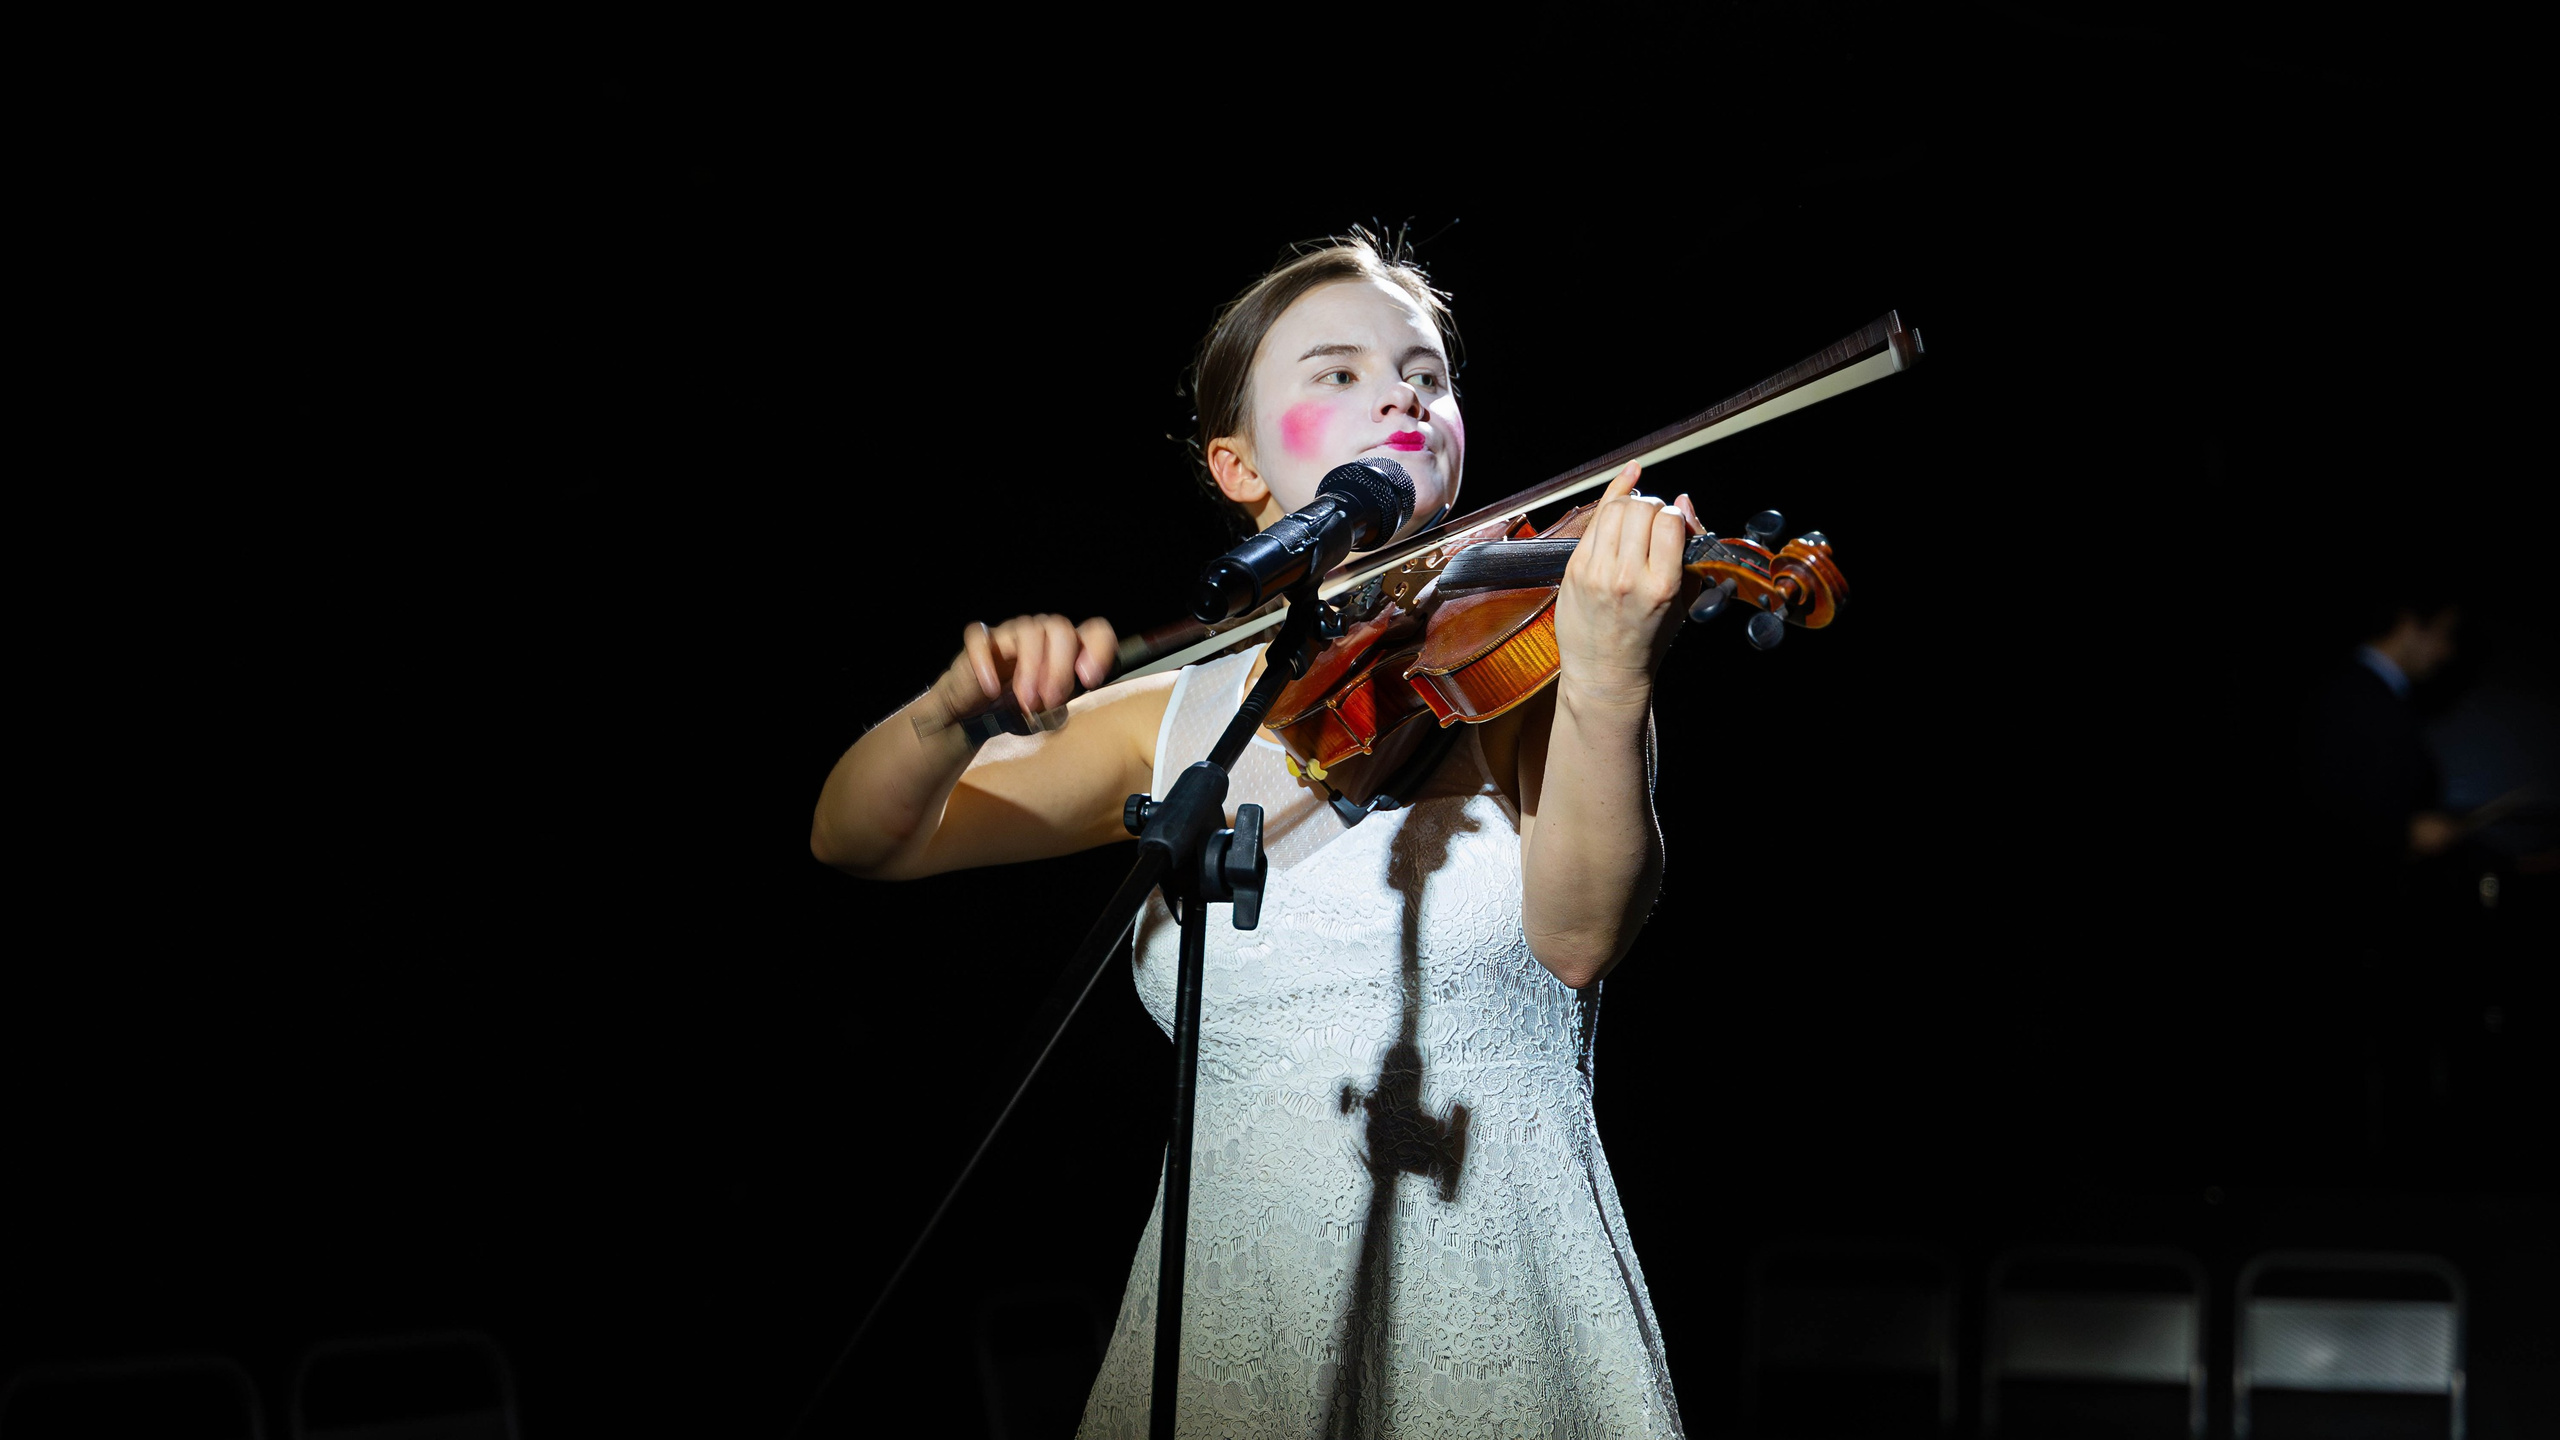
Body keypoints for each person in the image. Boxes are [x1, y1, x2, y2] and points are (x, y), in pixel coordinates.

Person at [812, 232, 1692, 1437]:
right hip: (1232, 1318)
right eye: (1336, 372)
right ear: (1236, 468)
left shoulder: (1539, 665)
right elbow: (861, 837)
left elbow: (1583, 936)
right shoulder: (1169, 717)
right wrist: (950, 713)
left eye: (1425, 376)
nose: (1400, 394)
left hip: (1499, 1297)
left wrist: (1609, 676)